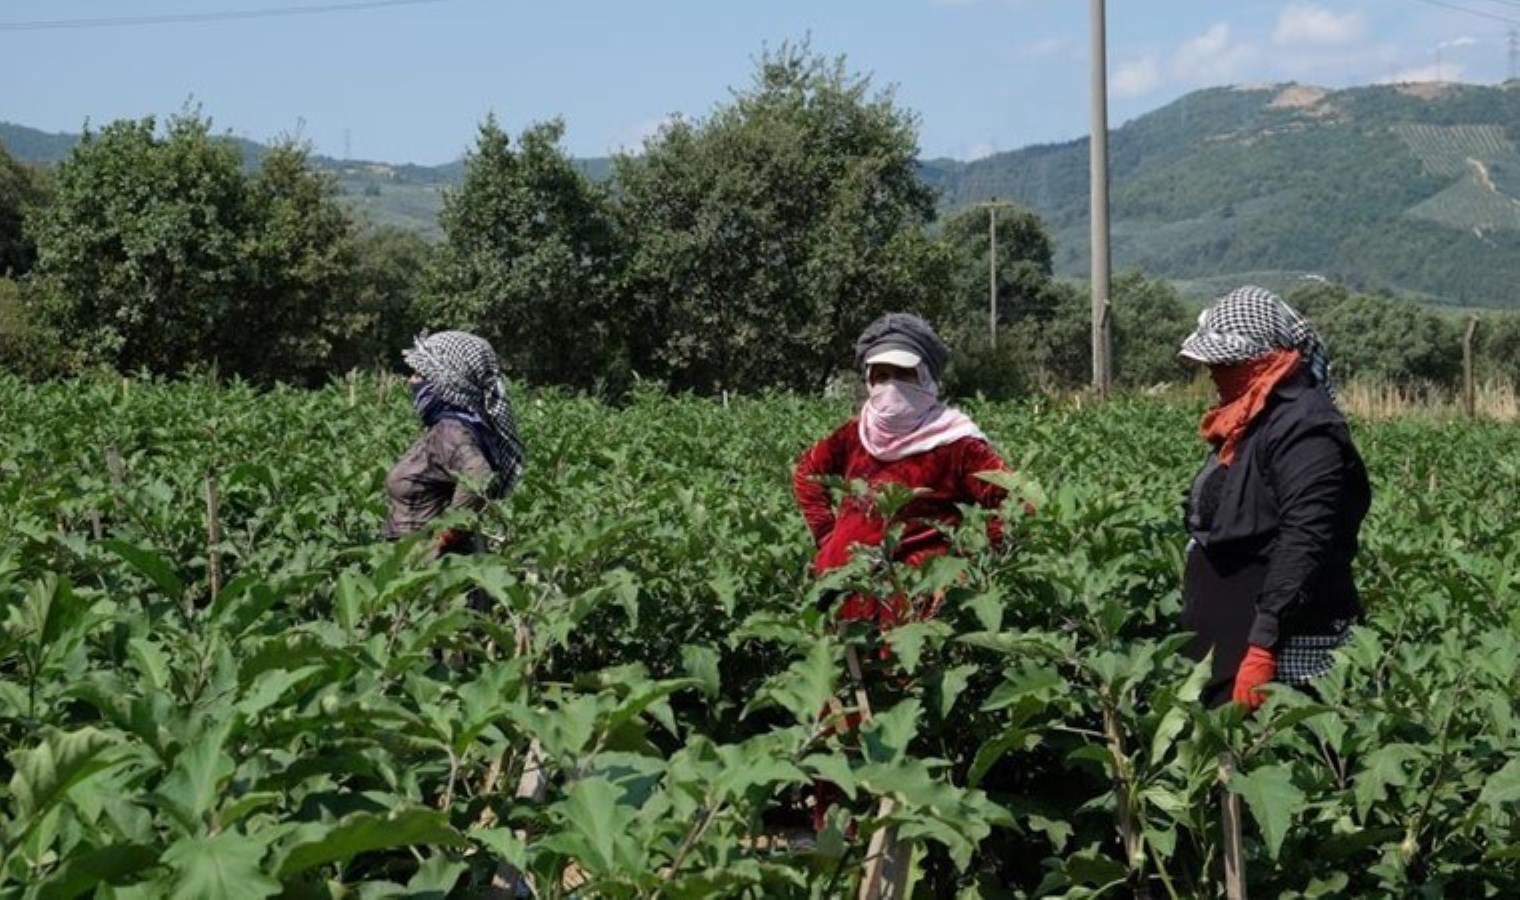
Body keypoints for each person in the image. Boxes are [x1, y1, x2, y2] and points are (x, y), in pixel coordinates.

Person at [1178, 287, 1371, 710]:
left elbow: (1304, 538)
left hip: (1277, 647)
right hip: (1231, 639)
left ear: (1263, 359)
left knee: (1271, 760)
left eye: (1224, 361)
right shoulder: (1253, 416)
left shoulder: (1307, 427)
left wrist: (1263, 645)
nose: (1212, 370)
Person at [793, 312, 1010, 631]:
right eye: (881, 375)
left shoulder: (957, 444)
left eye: (903, 374)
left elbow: (1011, 502)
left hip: (911, 602)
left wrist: (974, 569)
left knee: (901, 677)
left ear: (926, 379)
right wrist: (828, 536)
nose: (890, 385)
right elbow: (807, 473)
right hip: (842, 589)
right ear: (868, 380)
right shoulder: (856, 434)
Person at [384, 331, 526, 555]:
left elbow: (479, 474)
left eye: (420, 374)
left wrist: (440, 541)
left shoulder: (452, 430)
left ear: (446, 379)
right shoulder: (462, 426)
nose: (411, 380)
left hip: (431, 573)